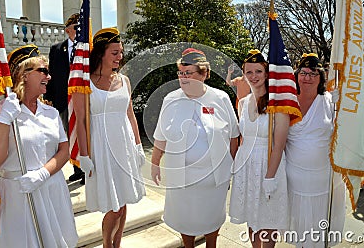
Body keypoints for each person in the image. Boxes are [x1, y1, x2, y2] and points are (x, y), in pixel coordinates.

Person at [0, 44, 78, 247]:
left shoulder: (50, 112)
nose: (49, 76)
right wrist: (4, 120)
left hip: (52, 187)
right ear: (25, 74)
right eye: (43, 70)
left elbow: (64, 150)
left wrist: (42, 173)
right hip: (19, 194)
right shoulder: (1, 113)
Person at [151, 48, 239, 248]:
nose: (183, 78)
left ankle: (211, 245)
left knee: (212, 216)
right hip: (182, 179)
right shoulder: (171, 99)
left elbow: (234, 135)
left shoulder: (221, 98)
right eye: (181, 73)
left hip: (213, 178)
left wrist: (230, 166)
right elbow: (161, 135)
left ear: (204, 74)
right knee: (185, 217)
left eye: (188, 73)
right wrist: (155, 162)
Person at [72, 27, 146, 248]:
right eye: (114, 53)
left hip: (124, 147)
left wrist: (138, 145)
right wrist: (84, 155)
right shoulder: (85, 83)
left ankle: (117, 244)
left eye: (121, 52)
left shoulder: (124, 80)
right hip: (102, 148)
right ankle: (107, 245)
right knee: (113, 207)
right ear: (101, 53)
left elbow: (130, 115)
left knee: (123, 203)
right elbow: (82, 121)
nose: (120, 57)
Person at [229, 49, 290, 248]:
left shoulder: (277, 105)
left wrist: (270, 176)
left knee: (268, 217)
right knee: (251, 215)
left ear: (266, 73)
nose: (253, 77)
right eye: (249, 72)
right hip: (246, 164)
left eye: (258, 71)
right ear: (244, 74)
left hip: (268, 163)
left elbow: (279, 145)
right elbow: (243, 137)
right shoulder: (243, 103)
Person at [285, 53, 345, 248]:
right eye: (303, 72)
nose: (307, 78)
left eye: (313, 74)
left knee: (319, 225)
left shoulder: (329, 101)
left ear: (321, 78)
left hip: (323, 177)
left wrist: (341, 107)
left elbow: (343, 132)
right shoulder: (287, 101)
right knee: (300, 225)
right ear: (296, 75)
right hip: (294, 176)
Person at [44, 13, 85, 184]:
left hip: (83, 100)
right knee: (68, 135)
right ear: (68, 30)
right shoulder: (56, 49)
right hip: (62, 100)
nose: (79, 30)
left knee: (85, 133)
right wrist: (48, 97)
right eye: (76, 27)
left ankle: (85, 169)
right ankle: (76, 168)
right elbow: (51, 75)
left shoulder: (86, 49)